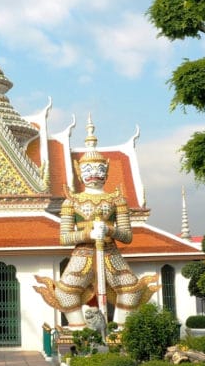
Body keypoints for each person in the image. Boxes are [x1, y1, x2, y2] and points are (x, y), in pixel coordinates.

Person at [35, 116, 155, 327]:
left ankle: (119, 329)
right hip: (83, 254)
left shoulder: (116, 200)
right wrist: (88, 234)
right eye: (88, 170)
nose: (94, 174)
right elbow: (64, 237)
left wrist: (109, 230)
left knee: (131, 291)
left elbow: (127, 236)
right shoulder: (72, 202)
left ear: (106, 171)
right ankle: (79, 329)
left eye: (99, 169)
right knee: (65, 293)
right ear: (79, 172)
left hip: (109, 252)